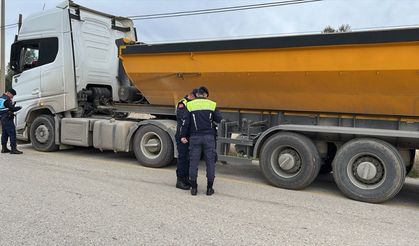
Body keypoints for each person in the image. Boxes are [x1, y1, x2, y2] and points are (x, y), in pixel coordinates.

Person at [181, 86, 222, 196]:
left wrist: (183, 135)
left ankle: (194, 188)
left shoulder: (190, 105)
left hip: (195, 137)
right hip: (209, 137)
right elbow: (219, 119)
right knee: (210, 162)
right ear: (206, 95)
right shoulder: (212, 104)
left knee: (193, 162)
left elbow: (185, 123)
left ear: (197, 94)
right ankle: (209, 189)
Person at [175, 89, 196, 190]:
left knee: (188, 158)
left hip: (189, 135)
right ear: (190, 95)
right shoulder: (182, 104)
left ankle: (186, 179)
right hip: (182, 135)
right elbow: (184, 118)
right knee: (183, 158)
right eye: (195, 96)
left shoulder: (192, 103)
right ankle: (180, 180)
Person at [0, 88, 23, 154]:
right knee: (12, 133)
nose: (12, 97)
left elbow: (4, 108)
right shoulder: (7, 99)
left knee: (5, 133)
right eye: (12, 95)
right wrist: (19, 107)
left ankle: (4, 148)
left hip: (2, 118)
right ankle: (13, 149)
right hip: (7, 118)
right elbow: (12, 109)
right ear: (8, 93)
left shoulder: (1, 98)